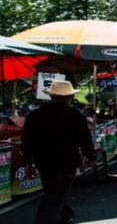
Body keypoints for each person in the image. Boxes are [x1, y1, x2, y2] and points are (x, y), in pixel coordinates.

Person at [22, 81, 96, 224]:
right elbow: (84, 138)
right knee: (57, 193)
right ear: (68, 97)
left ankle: (66, 214)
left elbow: (27, 140)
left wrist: (27, 161)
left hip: (42, 159)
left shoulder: (34, 115)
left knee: (52, 190)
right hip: (67, 159)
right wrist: (91, 157)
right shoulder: (74, 114)